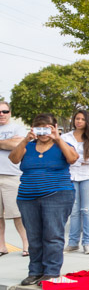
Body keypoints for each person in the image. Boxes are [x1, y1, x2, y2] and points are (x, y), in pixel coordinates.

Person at [9, 114, 78, 284]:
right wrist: (25, 140)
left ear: (54, 128)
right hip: (27, 197)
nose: (43, 132)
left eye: (47, 127)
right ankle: (35, 271)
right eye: (39, 128)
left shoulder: (63, 145)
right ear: (33, 129)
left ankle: (51, 272)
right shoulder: (28, 146)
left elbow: (72, 158)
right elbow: (14, 158)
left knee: (53, 235)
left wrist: (58, 138)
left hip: (57, 195)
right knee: (33, 236)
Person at [62, 109, 89, 254]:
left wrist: (73, 158)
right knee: (73, 211)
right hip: (71, 176)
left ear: (88, 122)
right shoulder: (65, 137)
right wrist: (79, 159)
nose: (78, 121)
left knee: (86, 210)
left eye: (82, 119)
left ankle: (87, 243)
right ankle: (73, 243)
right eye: (77, 118)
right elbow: (62, 156)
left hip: (88, 177)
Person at [0, 101, 28, 257]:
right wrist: (7, 143)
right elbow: (11, 144)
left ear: (10, 112)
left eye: (4, 111)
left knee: (17, 213)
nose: (1, 114)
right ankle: (1, 246)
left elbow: (18, 144)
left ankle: (26, 244)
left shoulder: (18, 128)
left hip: (12, 176)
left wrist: (12, 143)